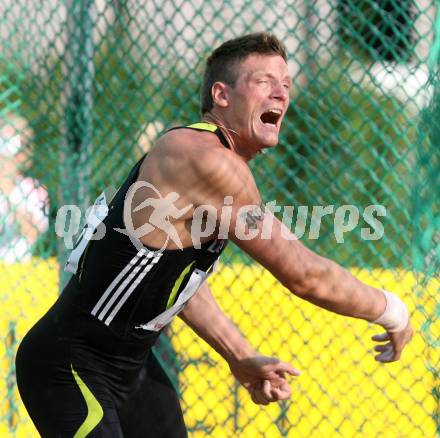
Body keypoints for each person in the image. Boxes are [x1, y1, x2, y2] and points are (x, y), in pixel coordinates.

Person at [16, 32, 413, 437]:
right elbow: (303, 274)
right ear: (221, 95)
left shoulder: (203, 160)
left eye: (286, 84)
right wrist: (390, 309)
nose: (280, 93)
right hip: (69, 365)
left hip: (131, 371)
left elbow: (178, 283)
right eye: (263, 82)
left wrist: (239, 355)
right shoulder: (205, 159)